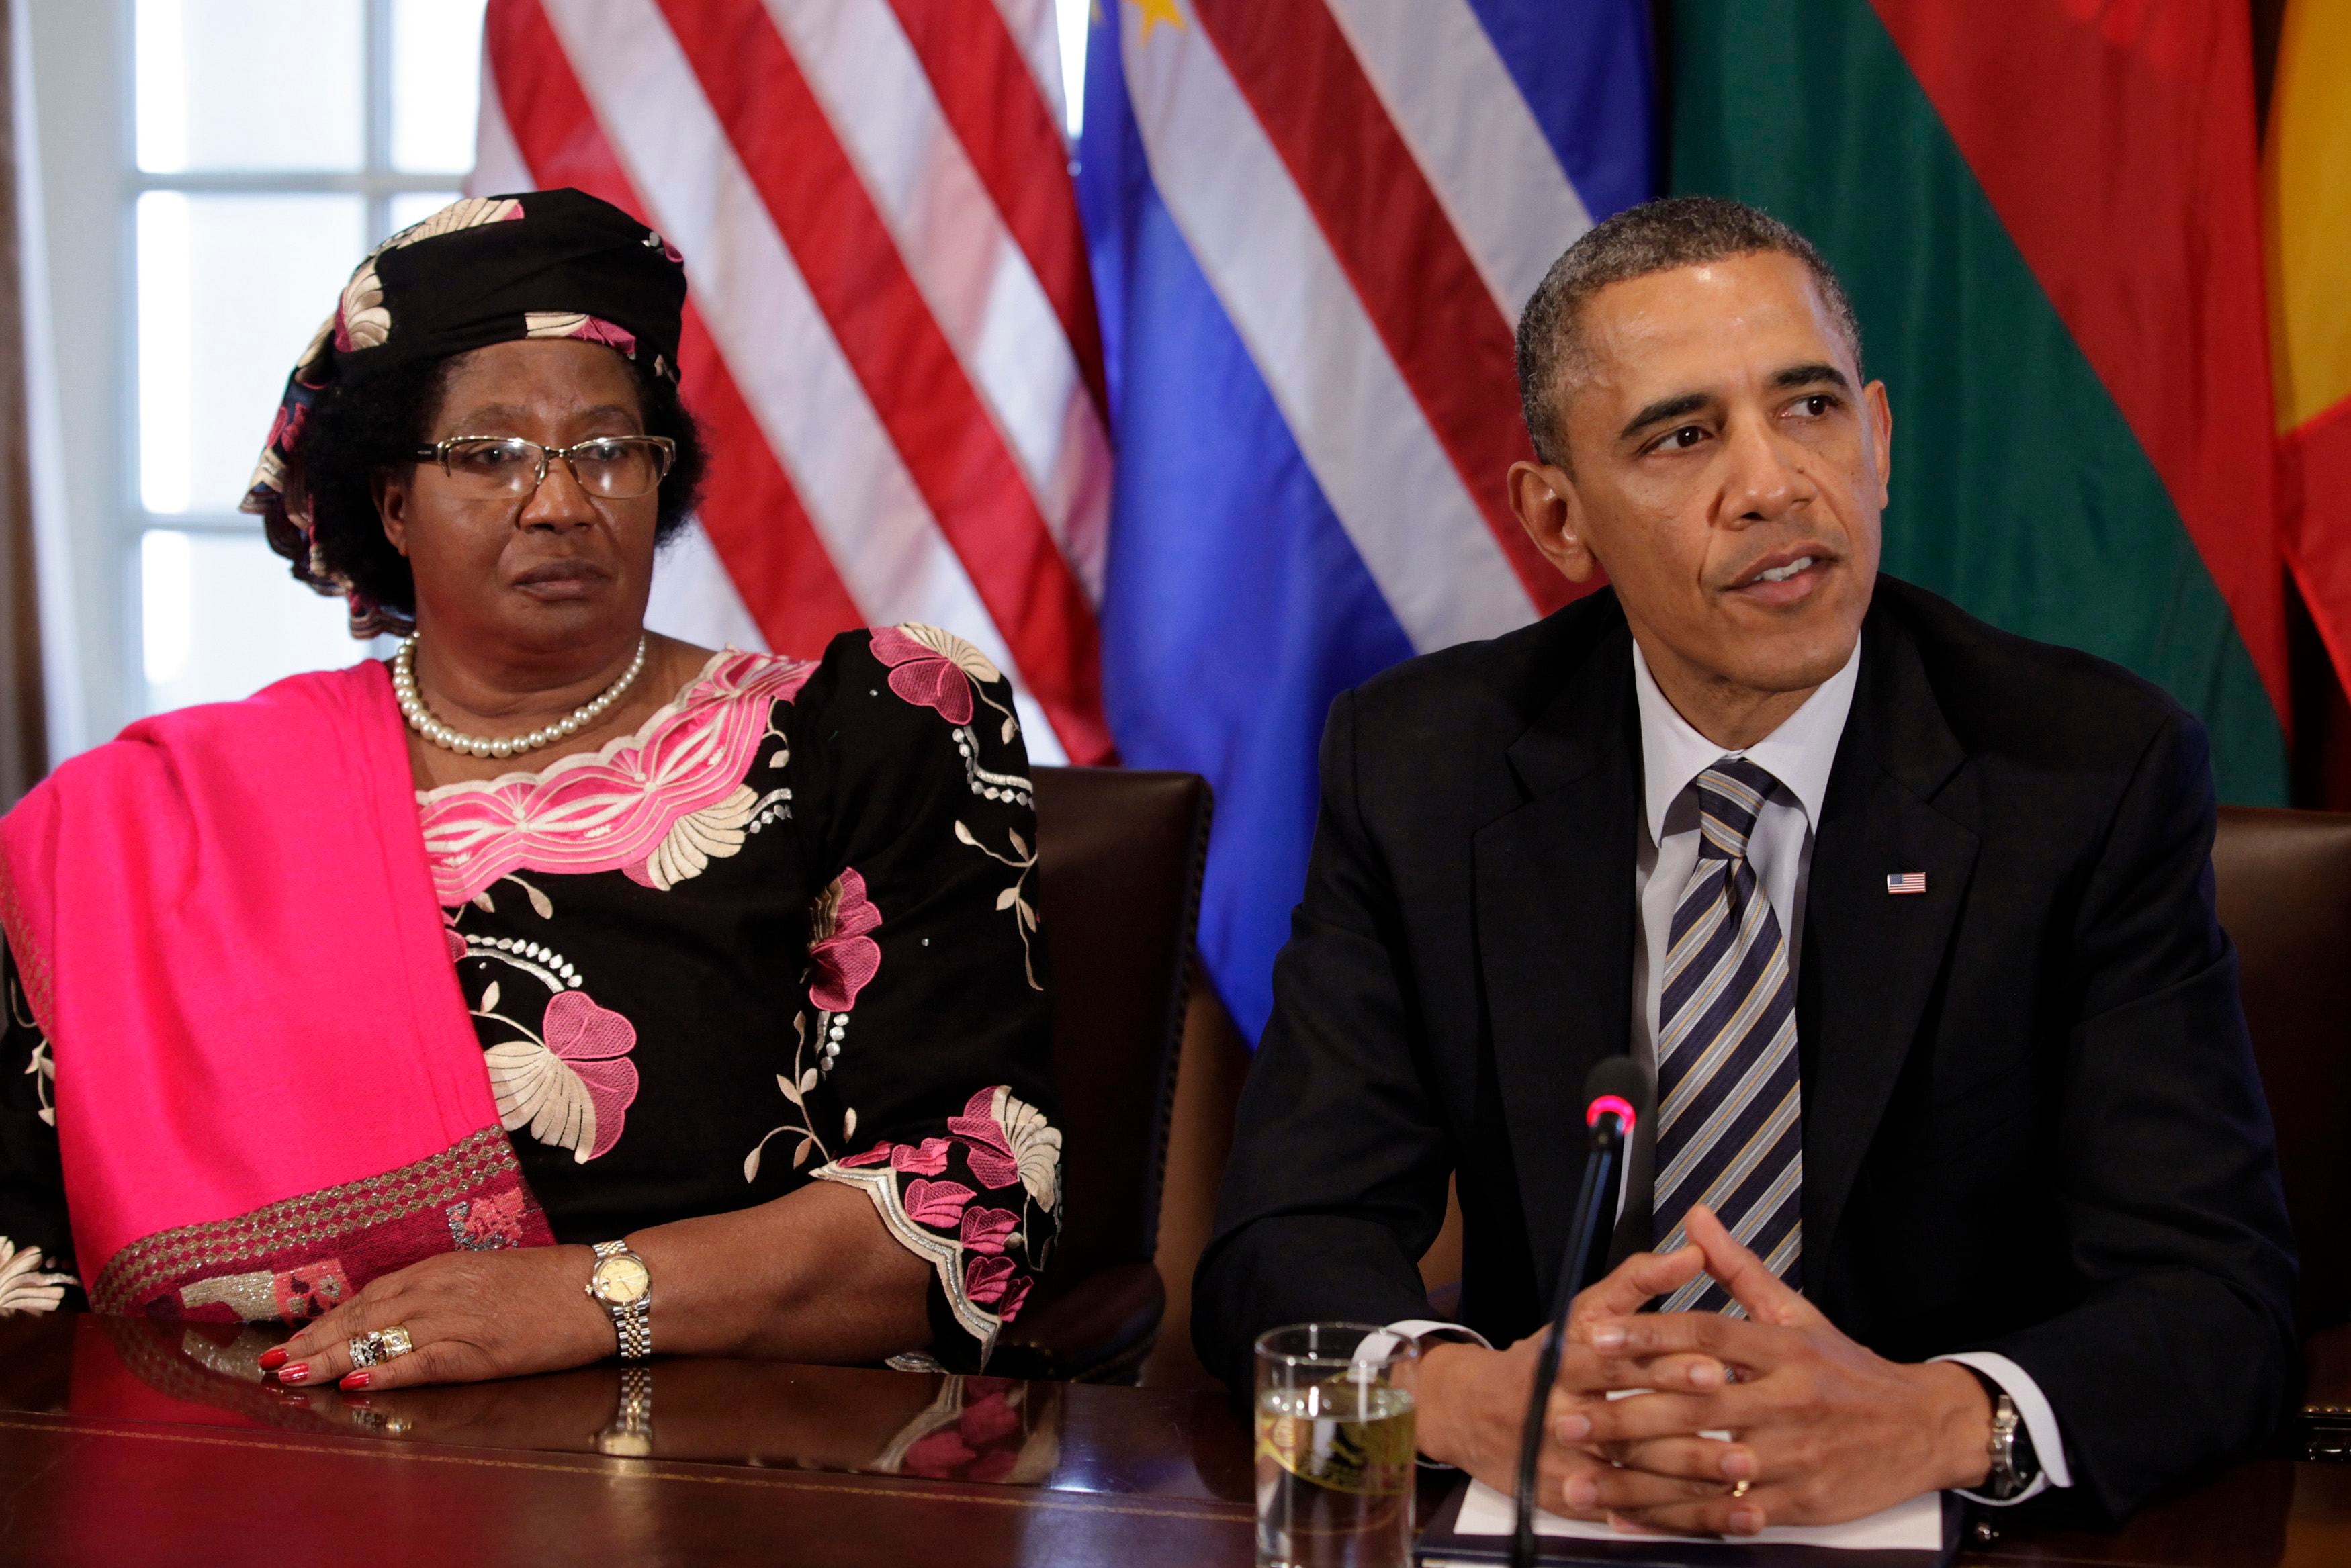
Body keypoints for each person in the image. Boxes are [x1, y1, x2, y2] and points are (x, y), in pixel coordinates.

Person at [1193, 196, 2296, 1533]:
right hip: (1561, 1516)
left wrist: (1936, 1418)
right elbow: (1283, 1235)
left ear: (1879, 441)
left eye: (1811, 409)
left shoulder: (2085, 773)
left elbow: (2212, 1294)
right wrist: (1469, 1397)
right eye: (1680, 435)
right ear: (1558, 519)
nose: (1774, 482)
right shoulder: (1425, 766)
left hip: (1934, 1528)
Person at [0, 190, 1062, 1389]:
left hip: (740, 1458)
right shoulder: (156, 823)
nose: (560, 501)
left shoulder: (867, 731)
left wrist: (585, 1299)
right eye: (489, 454)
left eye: (608, 449)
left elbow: (977, 1193)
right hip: (252, 1457)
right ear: (392, 506)